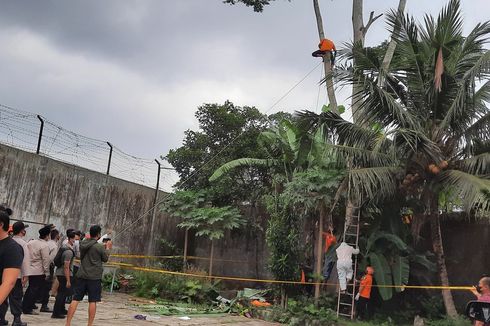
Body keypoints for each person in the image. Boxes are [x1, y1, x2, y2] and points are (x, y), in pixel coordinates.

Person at [65, 225, 111, 326]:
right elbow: (105, 259)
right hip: (94, 277)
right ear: (98, 234)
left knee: (75, 299)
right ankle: (89, 324)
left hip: (82, 275)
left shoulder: (83, 243)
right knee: (93, 301)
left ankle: (67, 323)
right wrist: (107, 248)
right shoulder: (99, 247)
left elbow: (90, 243)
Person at [0, 221, 29, 326]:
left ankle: (1, 318)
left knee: (4, 298)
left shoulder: (8, 241)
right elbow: (25, 261)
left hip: (5, 275)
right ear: (22, 231)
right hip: (17, 275)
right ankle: (17, 319)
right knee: (16, 297)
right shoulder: (21, 244)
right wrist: (25, 274)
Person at [22, 226, 51, 315]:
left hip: (29, 268)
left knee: (30, 288)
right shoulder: (44, 245)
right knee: (34, 290)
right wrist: (47, 272)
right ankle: (27, 308)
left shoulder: (31, 242)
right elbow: (46, 260)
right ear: (47, 235)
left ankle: (25, 305)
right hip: (38, 270)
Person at [52, 231, 76, 319]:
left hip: (60, 273)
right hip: (64, 274)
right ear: (71, 239)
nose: (75, 240)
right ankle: (56, 312)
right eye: (74, 238)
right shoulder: (69, 252)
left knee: (63, 293)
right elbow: (66, 266)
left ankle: (61, 309)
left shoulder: (64, 248)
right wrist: (68, 280)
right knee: (61, 294)